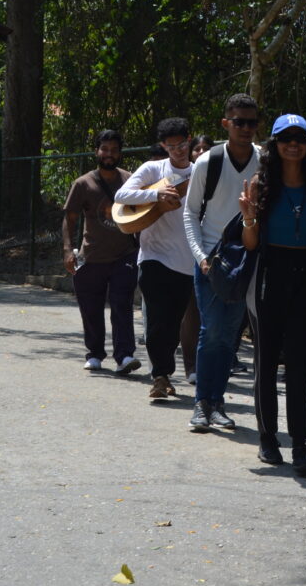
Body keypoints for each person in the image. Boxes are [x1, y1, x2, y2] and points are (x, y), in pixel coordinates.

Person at [239, 114, 306, 476]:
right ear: (275, 144)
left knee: (302, 366)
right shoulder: (260, 184)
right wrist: (249, 218)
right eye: (286, 138)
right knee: (266, 363)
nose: (293, 144)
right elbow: (250, 243)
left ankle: (300, 445)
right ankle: (268, 440)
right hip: (268, 275)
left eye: (300, 138)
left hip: (304, 277)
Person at [183, 93, 261, 432]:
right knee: (211, 331)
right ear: (225, 124)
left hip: (247, 261)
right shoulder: (208, 162)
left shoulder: (264, 161)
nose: (246, 128)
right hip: (212, 263)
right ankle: (202, 403)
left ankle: (217, 402)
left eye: (252, 122)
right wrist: (200, 256)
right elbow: (190, 212)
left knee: (229, 335)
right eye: (239, 122)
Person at [114, 117, 196, 400]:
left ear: (190, 139)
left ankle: (165, 373)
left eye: (182, 144)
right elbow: (121, 194)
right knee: (156, 317)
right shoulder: (153, 169)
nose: (178, 150)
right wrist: (155, 193)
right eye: (171, 146)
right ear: (163, 145)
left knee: (172, 323)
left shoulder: (199, 174)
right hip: (153, 256)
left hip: (186, 260)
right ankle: (159, 376)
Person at [62, 129, 141, 374]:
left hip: (124, 255)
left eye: (114, 150)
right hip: (92, 256)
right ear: (96, 151)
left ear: (120, 153)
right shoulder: (83, 183)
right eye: (104, 149)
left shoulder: (130, 180)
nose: (109, 154)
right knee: (91, 307)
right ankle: (94, 353)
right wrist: (67, 250)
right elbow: (69, 218)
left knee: (122, 305)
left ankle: (124, 356)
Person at [180, 134, 215, 385]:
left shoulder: (220, 171)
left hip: (215, 254)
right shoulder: (182, 176)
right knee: (191, 313)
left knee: (209, 317)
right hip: (187, 252)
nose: (201, 152)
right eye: (197, 148)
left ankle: (212, 366)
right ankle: (190, 366)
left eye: (206, 148)